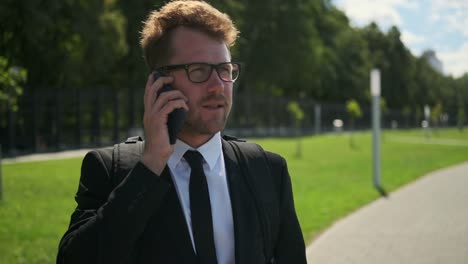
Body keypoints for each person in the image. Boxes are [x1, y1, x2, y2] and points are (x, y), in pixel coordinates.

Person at [57, 1, 306, 263]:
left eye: (224, 69)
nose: (217, 86)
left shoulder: (267, 170)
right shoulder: (111, 171)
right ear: (159, 83)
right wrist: (151, 164)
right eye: (198, 70)